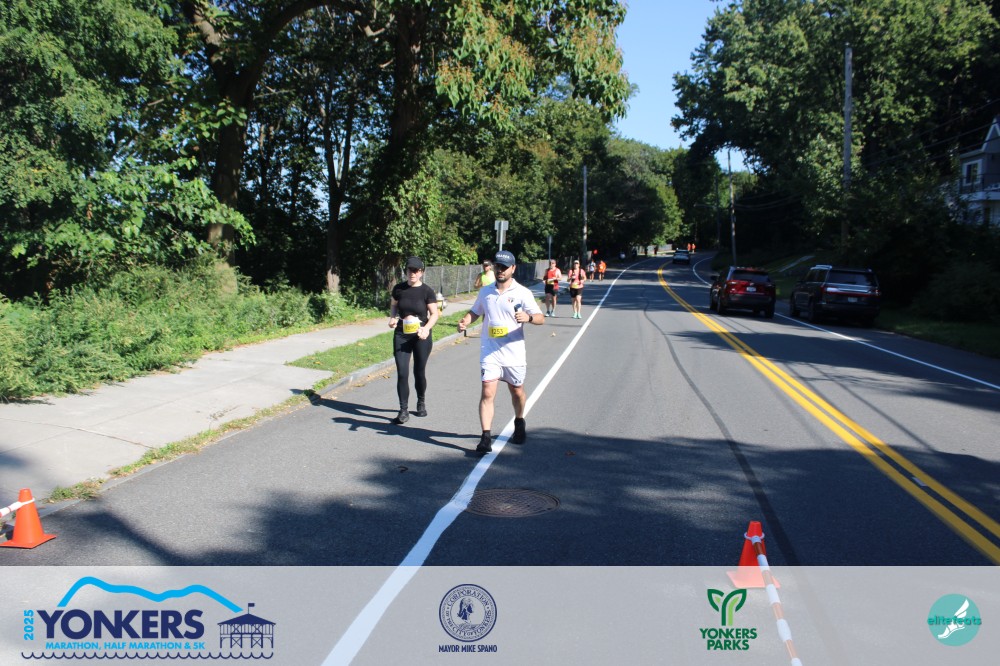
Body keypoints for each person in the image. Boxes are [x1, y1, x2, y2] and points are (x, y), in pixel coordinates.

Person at [457, 250, 544, 454]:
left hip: (513, 353)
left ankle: (519, 421)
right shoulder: (486, 291)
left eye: (504, 267)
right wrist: (465, 321)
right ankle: (485, 437)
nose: (500, 270)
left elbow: (540, 317)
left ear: (513, 268)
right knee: (487, 391)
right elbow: (475, 311)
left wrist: (529, 318)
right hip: (490, 351)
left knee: (517, 391)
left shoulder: (522, 292)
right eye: (498, 266)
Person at [388, 256, 440, 424]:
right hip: (401, 335)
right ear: (406, 271)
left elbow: (435, 314)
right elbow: (394, 305)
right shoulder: (398, 289)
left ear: (421, 272)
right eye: (410, 270)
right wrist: (393, 317)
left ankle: (421, 401)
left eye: (416, 270)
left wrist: (426, 328)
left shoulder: (427, 291)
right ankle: (403, 410)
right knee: (402, 373)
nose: (412, 273)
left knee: (419, 371)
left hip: (420, 335)